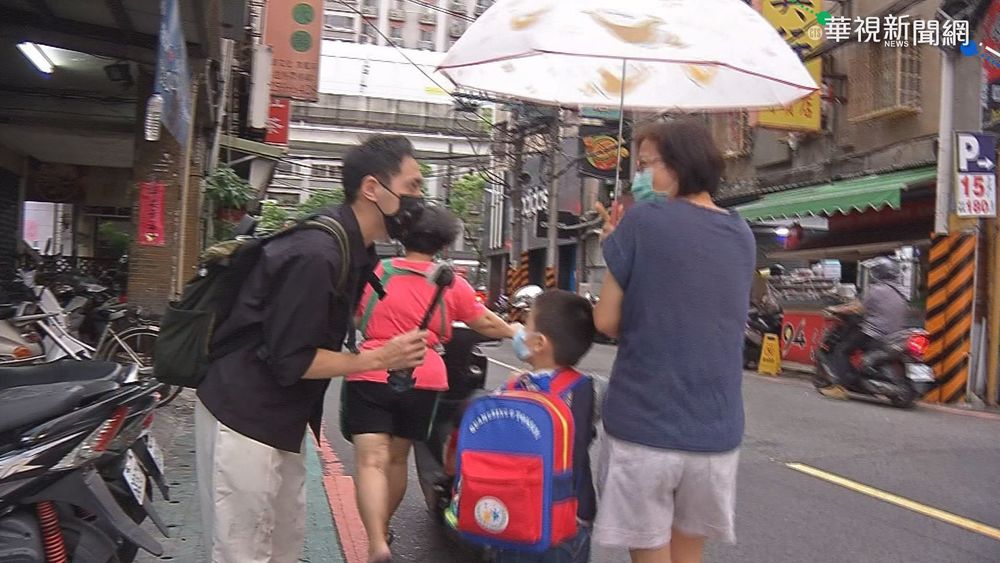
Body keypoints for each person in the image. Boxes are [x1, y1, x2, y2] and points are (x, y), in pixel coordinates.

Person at [194, 135, 430, 563]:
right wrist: (380, 358)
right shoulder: (318, 253)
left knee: (283, 546)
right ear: (372, 189)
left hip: (280, 418)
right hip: (245, 414)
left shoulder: (356, 248)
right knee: (242, 552)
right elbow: (293, 359)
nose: (419, 199)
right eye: (412, 186)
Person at [591, 120, 755, 563]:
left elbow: (606, 320)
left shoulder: (643, 220)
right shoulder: (742, 233)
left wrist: (617, 249)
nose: (639, 177)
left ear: (678, 165)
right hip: (715, 431)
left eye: (645, 166)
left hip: (646, 425)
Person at [346, 205, 517, 563]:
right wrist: (519, 332)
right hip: (424, 377)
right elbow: (483, 320)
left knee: (370, 463)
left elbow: (358, 315)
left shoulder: (378, 272)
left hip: (372, 372)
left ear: (401, 236)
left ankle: (376, 540)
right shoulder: (450, 282)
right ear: (442, 243)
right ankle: (384, 527)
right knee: (396, 460)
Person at [495, 289, 598, 563]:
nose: (519, 331)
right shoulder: (585, 388)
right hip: (572, 513)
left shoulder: (515, 388)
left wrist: (509, 389)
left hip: (520, 515)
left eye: (525, 326)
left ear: (539, 343)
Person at [825, 257, 909, 395]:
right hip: (893, 336)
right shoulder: (901, 293)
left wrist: (835, 309)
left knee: (842, 350)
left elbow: (857, 308)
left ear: (879, 273)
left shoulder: (877, 289)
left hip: (874, 333)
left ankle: (840, 387)